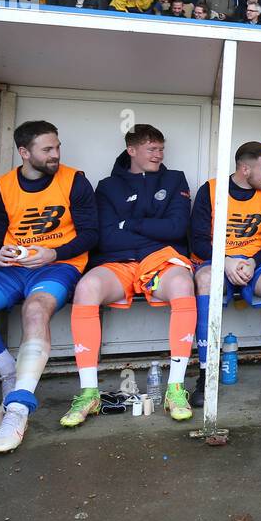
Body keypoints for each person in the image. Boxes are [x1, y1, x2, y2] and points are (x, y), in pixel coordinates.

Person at [0, 121, 98, 452]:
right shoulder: (3, 186)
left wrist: (54, 251)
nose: (56, 154)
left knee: (35, 309)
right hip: (12, 270)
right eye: (47, 150)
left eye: (57, 147)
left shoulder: (75, 180)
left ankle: (18, 408)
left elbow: (92, 234)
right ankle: (9, 370)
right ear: (24, 153)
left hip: (58, 265)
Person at [62, 125, 196, 427]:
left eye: (161, 148)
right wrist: (149, 228)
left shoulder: (175, 179)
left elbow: (175, 229)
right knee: (87, 288)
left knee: (183, 284)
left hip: (160, 260)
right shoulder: (108, 186)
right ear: (131, 150)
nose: (158, 154)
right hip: (119, 262)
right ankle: (89, 392)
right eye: (151, 149)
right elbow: (106, 239)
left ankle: (174, 389)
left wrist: (129, 224)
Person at [189, 142, 261, 405]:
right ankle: (206, 373)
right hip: (218, 261)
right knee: (204, 280)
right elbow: (197, 239)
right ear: (245, 169)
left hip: (255, 262)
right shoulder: (212, 189)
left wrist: (252, 261)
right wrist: (224, 261)